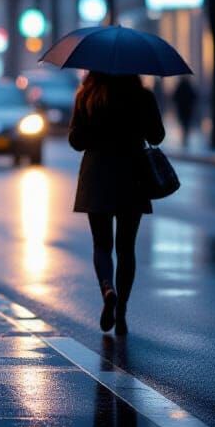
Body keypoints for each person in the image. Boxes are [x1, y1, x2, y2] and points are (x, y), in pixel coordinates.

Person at [69, 72, 165, 336]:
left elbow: (75, 141)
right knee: (126, 248)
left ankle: (107, 289)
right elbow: (157, 136)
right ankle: (121, 312)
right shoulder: (142, 96)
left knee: (102, 245)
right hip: (132, 175)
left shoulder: (87, 96)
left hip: (97, 175)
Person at [171, 78, 196, 147]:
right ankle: (185, 135)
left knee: (183, 122)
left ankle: (184, 136)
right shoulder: (189, 87)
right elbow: (194, 97)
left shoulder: (180, 87)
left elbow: (174, 97)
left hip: (181, 108)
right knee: (186, 123)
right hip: (188, 109)